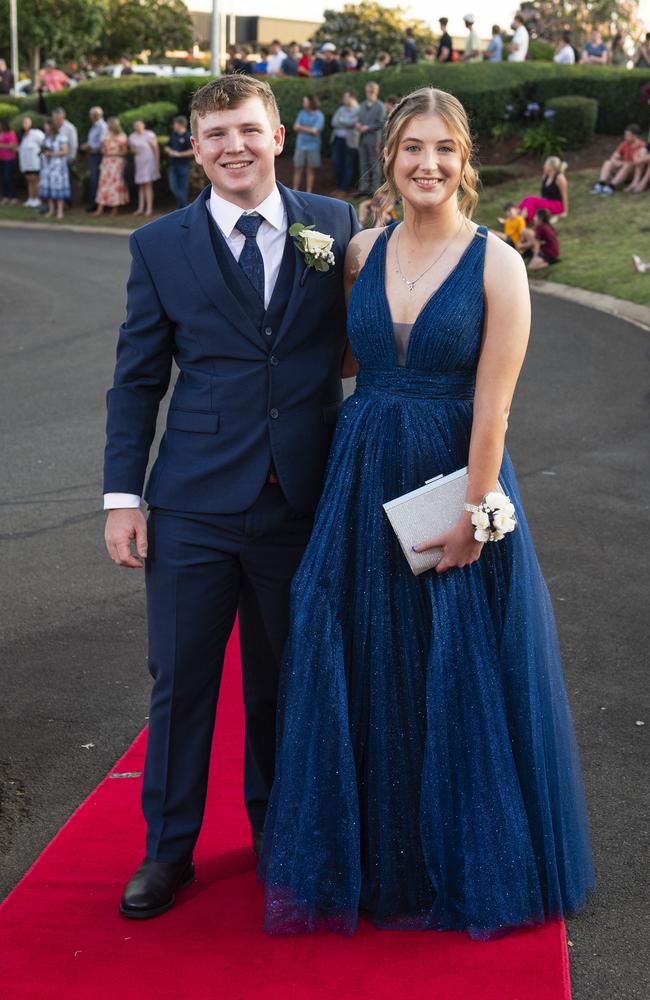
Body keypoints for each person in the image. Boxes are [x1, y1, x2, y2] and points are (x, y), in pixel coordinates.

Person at [258, 84, 594, 937]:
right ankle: (372, 856)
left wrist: (475, 518)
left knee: (454, 667)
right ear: (390, 157)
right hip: (361, 473)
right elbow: (336, 360)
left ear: (465, 161)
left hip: (454, 475)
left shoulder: (498, 263)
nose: (427, 164)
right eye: (412, 148)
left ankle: (459, 857)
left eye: (444, 149)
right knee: (367, 656)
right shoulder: (362, 251)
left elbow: (495, 407)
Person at [103, 73, 359, 920]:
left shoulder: (337, 227)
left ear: (278, 134)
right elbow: (137, 381)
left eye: (247, 130)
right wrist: (121, 497)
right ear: (195, 145)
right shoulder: (158, 246)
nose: (233, 148)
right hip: (193, 506)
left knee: (284, 681)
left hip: (301, 499)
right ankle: (167, 852)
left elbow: (371, 339)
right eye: (215, 134)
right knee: (180, 680)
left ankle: (278, 837)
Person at [591, 125, 644, 194]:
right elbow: (614, 156)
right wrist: (617, 162)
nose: (625, 137)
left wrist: (625, 164)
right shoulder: (624, 144)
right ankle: (601, 184)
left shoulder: (642, 146)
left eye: (628, 135)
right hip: (623, 168)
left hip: (632, 173)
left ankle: (611, 187)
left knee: (628, 165)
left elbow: (640, 163)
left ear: (635, 136)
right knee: (608, 163)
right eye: (625, 135)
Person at [93, 116, 129, 216]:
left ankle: (115, 207)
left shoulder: (121, 136)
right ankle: (100, 207)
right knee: (103, 183)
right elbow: (103, 148)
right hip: (106, 161)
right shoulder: (106, 135)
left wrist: (114, 154)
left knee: (115, 183)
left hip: (116, 162)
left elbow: (124, 151)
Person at [356, 81, 386, 195]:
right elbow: (358, 119)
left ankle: (374, 189)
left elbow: (382, 123)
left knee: (374, 164)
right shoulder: (362, 105)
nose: (370, 94)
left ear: (376, 92)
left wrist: (367, 128)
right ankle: (364, 188)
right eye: (368, 92)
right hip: (362, 138)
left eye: (372, 92)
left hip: (374, 139)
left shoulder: (380, 106)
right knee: (363, 163)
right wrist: (358, 125)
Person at [518, 156, 569, 220]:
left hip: (557, 205)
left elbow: (564, 196)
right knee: (527, 200)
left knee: (531, 199)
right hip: (546, 203)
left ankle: (519, 221)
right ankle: (514, 216)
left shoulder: (560, 178)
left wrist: (565, 212)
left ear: (551, 167)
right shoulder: (546, 177)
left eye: (545, 165)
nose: (543, 166)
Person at [38, 118, 70, 219]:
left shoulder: (61, 137)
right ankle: (51, 210)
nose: (45, 128)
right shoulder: (46, 138)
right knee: (49, 189)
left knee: (58, 189)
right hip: (47, 167)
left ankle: (60, 211)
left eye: (47, 126)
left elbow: (65, 151)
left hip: (58, 168)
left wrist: (52, 154)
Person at [128, 119, 160, 217]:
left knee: (147, 185)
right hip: (139, 162)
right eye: (136, 125)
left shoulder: (149, 134)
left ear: (143, 125)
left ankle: (149, 208)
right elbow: (131, 149)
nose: (138, 127)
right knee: (141, 185)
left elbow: (155, 149)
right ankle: (140, 208)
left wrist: (157, 162)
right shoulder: (132, 136)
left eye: (139, 125)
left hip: (149, 161)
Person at [330, 90, 360, 196]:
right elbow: (334, 122)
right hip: (338, 140)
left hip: (350, 142)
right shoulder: (341, 109)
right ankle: (339, 187)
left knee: (348, 164)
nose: (343, 99)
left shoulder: (359, 110)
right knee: (336, 162)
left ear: (351, 97)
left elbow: (355, 123)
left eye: (345, 97)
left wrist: (342, 121)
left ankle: (343, 189)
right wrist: (347, 123)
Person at [292, 95, 324, 194]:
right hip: (300, 145)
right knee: (298, 169)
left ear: (311, 103)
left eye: (305, 101)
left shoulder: (319, 115)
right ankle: (294, 191)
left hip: (313, 147)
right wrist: (310, 130)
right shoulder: (302, 113)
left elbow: (315, 130)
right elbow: (295, 127)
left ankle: (308, 192)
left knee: (310, 170)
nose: (303, 103)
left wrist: (301, 128)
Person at [80, 106, 107, 210]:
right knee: (93, 179)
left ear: (95, 115)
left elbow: (102, 143)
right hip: (92, 155)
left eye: (91, 114)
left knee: (96, 179)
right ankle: (94, 203)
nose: (89, 117)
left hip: (98, 155)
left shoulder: (102, 126)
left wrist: (90, 146)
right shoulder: (94, 126)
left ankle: (97, 204)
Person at [165, 114, 194, 209]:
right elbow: (167, 146)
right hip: (173, 165)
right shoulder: (173, 134)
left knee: (183, 188)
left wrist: (179, 154)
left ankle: (181, 210)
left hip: (184, 165)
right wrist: (169, 150)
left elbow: (192, 151)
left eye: (175, 124)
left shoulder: (188, 136)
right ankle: (186, 206)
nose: (174, 126)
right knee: (173, 187)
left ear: (180, 124)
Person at [18, 115, 44, 207]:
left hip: (35, 162)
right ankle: (31, 198)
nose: (25, 124)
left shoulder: (36, 133)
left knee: (35, 180)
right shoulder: (23, 136)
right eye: (23, 122)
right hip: (26, 163)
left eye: (27, 122)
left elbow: (44, 143)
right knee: (29, 180)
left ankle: (37, 198)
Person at [0, 118, 19, 205]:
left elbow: (13, 146)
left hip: (9, 159)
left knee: (8, 178)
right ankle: (6, 196)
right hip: (1, 159)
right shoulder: (1, 133)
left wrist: (1, 145)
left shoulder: (11, 133)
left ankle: (13, 196)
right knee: (3, 178)